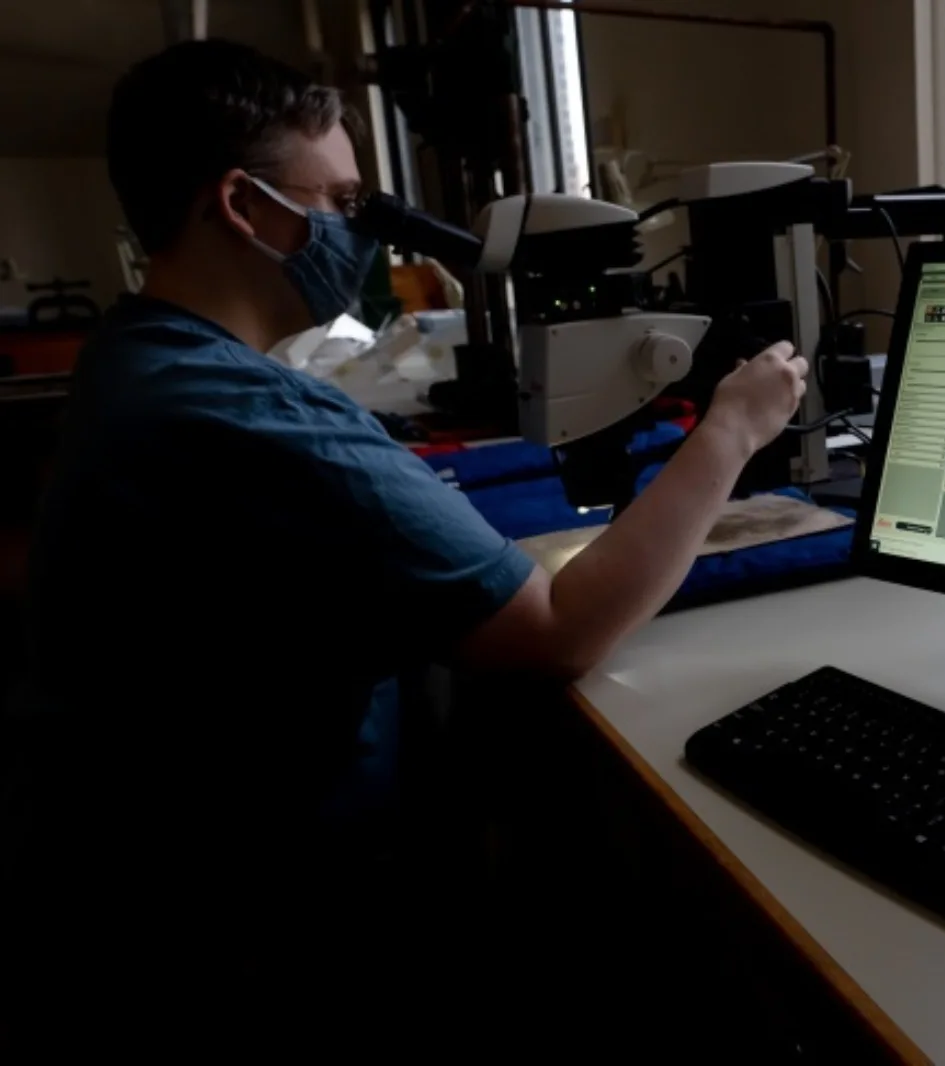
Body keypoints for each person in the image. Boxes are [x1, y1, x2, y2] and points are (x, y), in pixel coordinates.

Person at [5, 38, 806, 1045]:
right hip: (247, 923)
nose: (361, 235)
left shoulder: (138, 358)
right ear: (244, 205)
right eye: (342, 204)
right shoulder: (239, 412)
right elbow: (559, 628)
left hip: (134, 864)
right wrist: (732, 429)